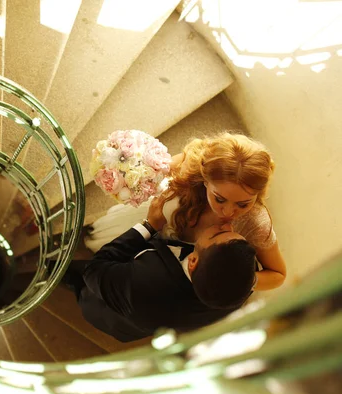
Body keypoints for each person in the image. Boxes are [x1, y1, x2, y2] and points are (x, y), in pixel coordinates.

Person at [85, 132, 286, 291]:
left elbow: (278, 274)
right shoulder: (187, 167)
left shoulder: (255, 223)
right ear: (205, 180)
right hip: (147, 226)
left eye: (243, 204)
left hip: (173, 272)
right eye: (219, 199)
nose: (228, 211)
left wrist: (235, 281)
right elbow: (150, 171)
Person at [70, 198, 258, 342]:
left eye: (220, 233)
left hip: (102, 306)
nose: (228, 224)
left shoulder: (143, 283)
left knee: (76, 276)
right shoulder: (239, 288)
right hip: (149, 320)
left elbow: (93, 270)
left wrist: (148, 226)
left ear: (192, 261)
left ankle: (51, 272)